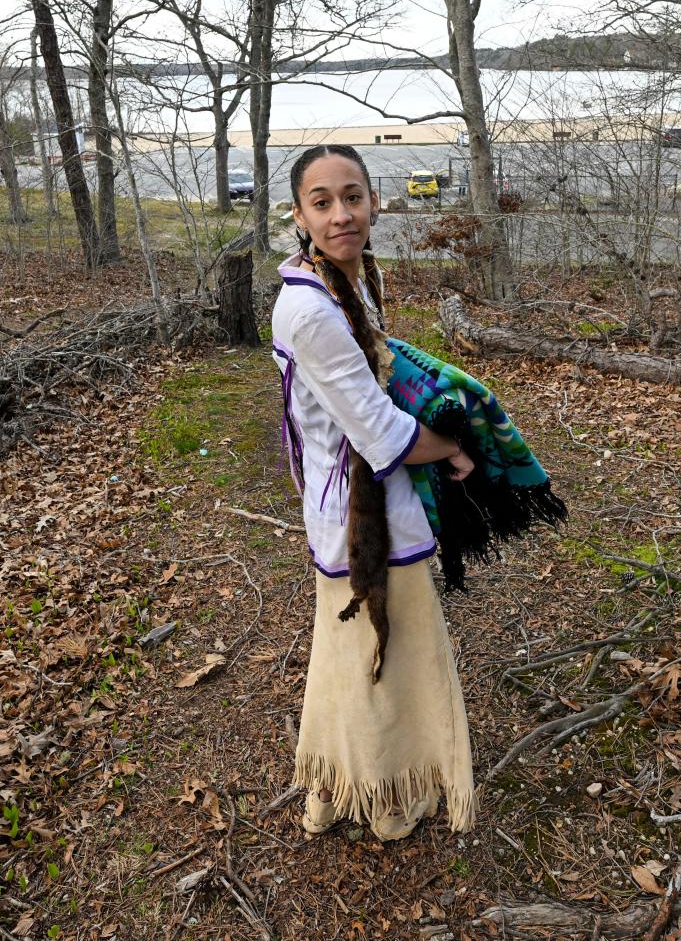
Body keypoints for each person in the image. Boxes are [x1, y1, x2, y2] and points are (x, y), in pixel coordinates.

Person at [271, 144, 478, 842]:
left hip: (362, 509)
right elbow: (382, 433)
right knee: (380, 664)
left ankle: (336, 789)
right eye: (322, 202)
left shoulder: (343, 280)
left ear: (374, 201)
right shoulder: (314, 311)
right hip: (363, 521)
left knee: (355, 662)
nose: (341, 214)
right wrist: (453, 444)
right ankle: (386, 799)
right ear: (298, 213)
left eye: (352, 196)